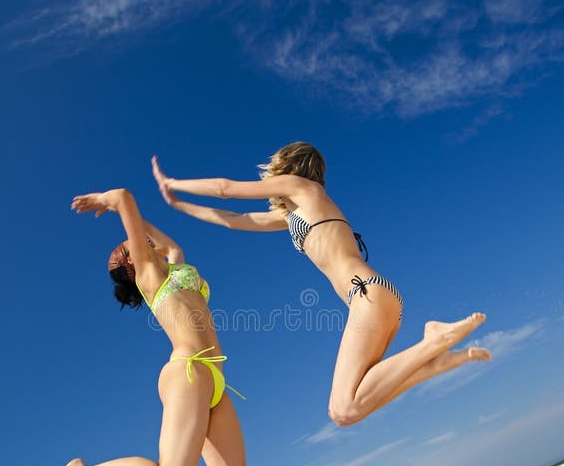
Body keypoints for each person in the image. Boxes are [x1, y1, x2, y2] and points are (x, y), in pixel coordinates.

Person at [30, 187, 296, 466]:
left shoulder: (173, 262)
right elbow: (126, 199)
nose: (140, 243)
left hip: (213, 379)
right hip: (187, 373)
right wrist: (113, 204)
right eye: (132, 246)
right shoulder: (150, 276)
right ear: (133, 265)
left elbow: (169, 243)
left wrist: (143, 223)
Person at [152, 143, 491, 427]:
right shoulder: (296, 211)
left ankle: (432, 341)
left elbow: (226, 189)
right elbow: (236, 221)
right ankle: (438, 361)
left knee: (344, 408)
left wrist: (174, 182)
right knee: (347, 406)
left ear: (289, 167)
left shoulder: (302, 188)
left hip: (366, 294)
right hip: (375, 296)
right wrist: (181, 206)